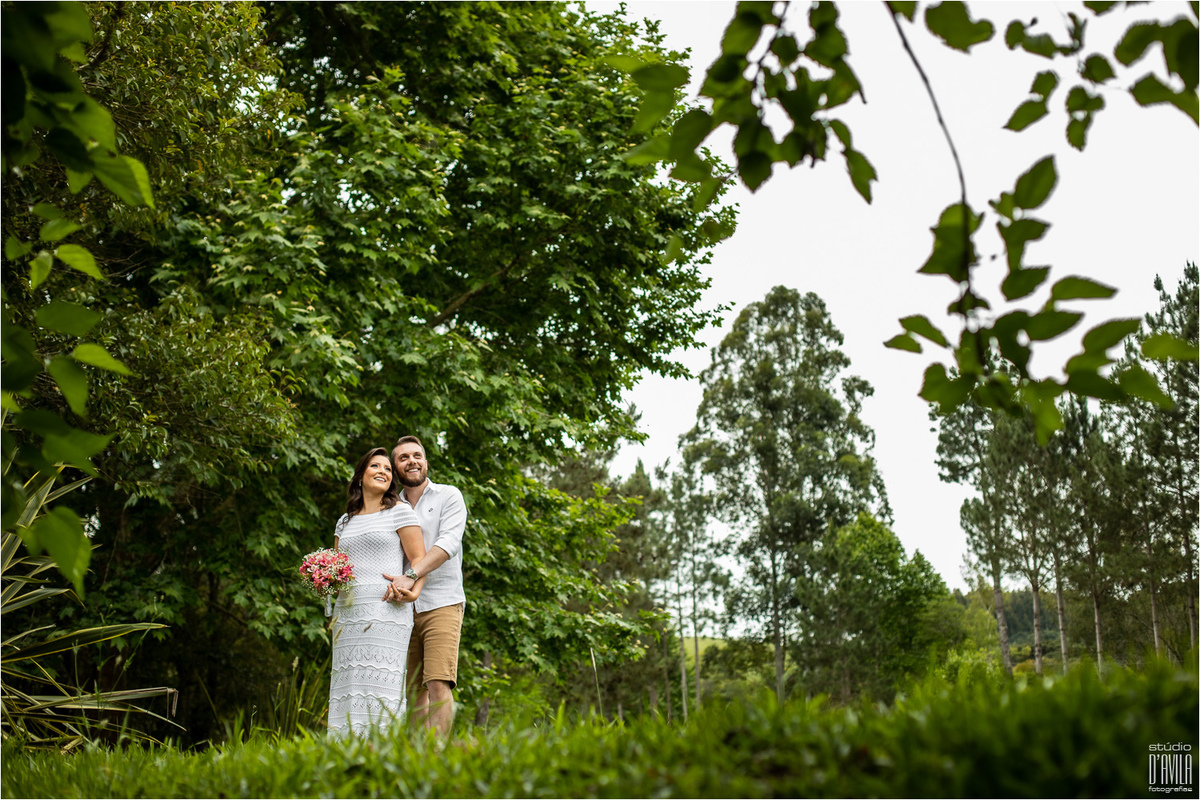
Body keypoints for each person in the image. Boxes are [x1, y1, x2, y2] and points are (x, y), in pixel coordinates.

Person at [327, 447, 428, 738]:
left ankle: (383, 747)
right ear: (360, 476)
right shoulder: (344, 521)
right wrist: (323, 577)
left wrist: (414, 591)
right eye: (375, 466)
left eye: (387, 467)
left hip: (386, 610)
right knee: (348, 681)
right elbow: (339, 567)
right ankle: (343, 747)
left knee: (381, 682)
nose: (383, 471)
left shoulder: (399, 511)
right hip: (347, 611)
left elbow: (419, 559)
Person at [382, 435, 467, 741]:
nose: (411, 461)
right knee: (411, 687)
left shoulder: (449, 496)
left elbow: (447, 545)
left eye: (417, 455)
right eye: (403, 458)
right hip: (399, 606)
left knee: (437, 682)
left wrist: (411, 573)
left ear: (426, 461)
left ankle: (439, 755)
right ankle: (418, 756)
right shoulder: (388, 506)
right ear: (395, 467)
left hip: (442, 602)